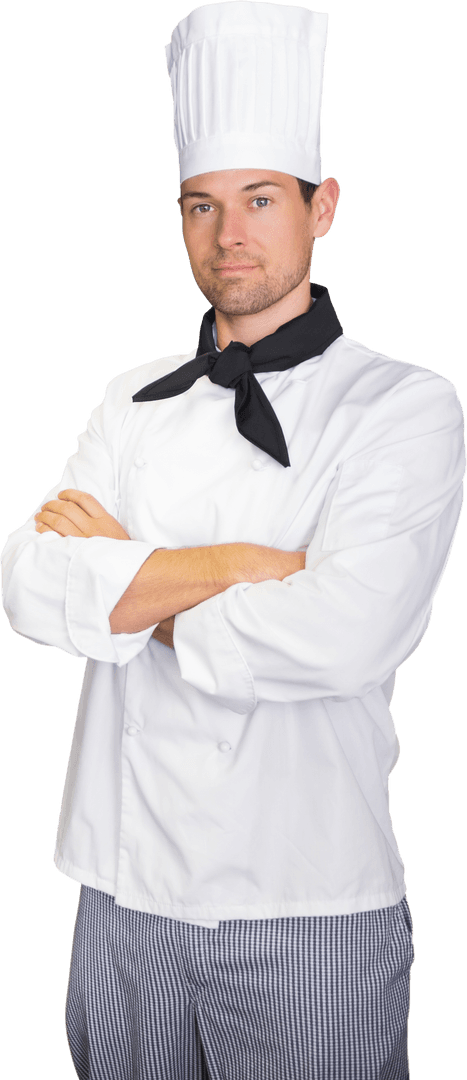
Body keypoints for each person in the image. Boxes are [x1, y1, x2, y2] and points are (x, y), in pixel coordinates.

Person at [1, 3, 465, 1079]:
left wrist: (121, 586)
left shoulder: (404, 406)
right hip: (117, 900)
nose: (230, 236)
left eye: (260, 200)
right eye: (201, 206)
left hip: (305, 902)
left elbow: (345, 633)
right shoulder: (128, 400)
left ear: (322, 206)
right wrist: (236, 571)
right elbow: (28, 581)